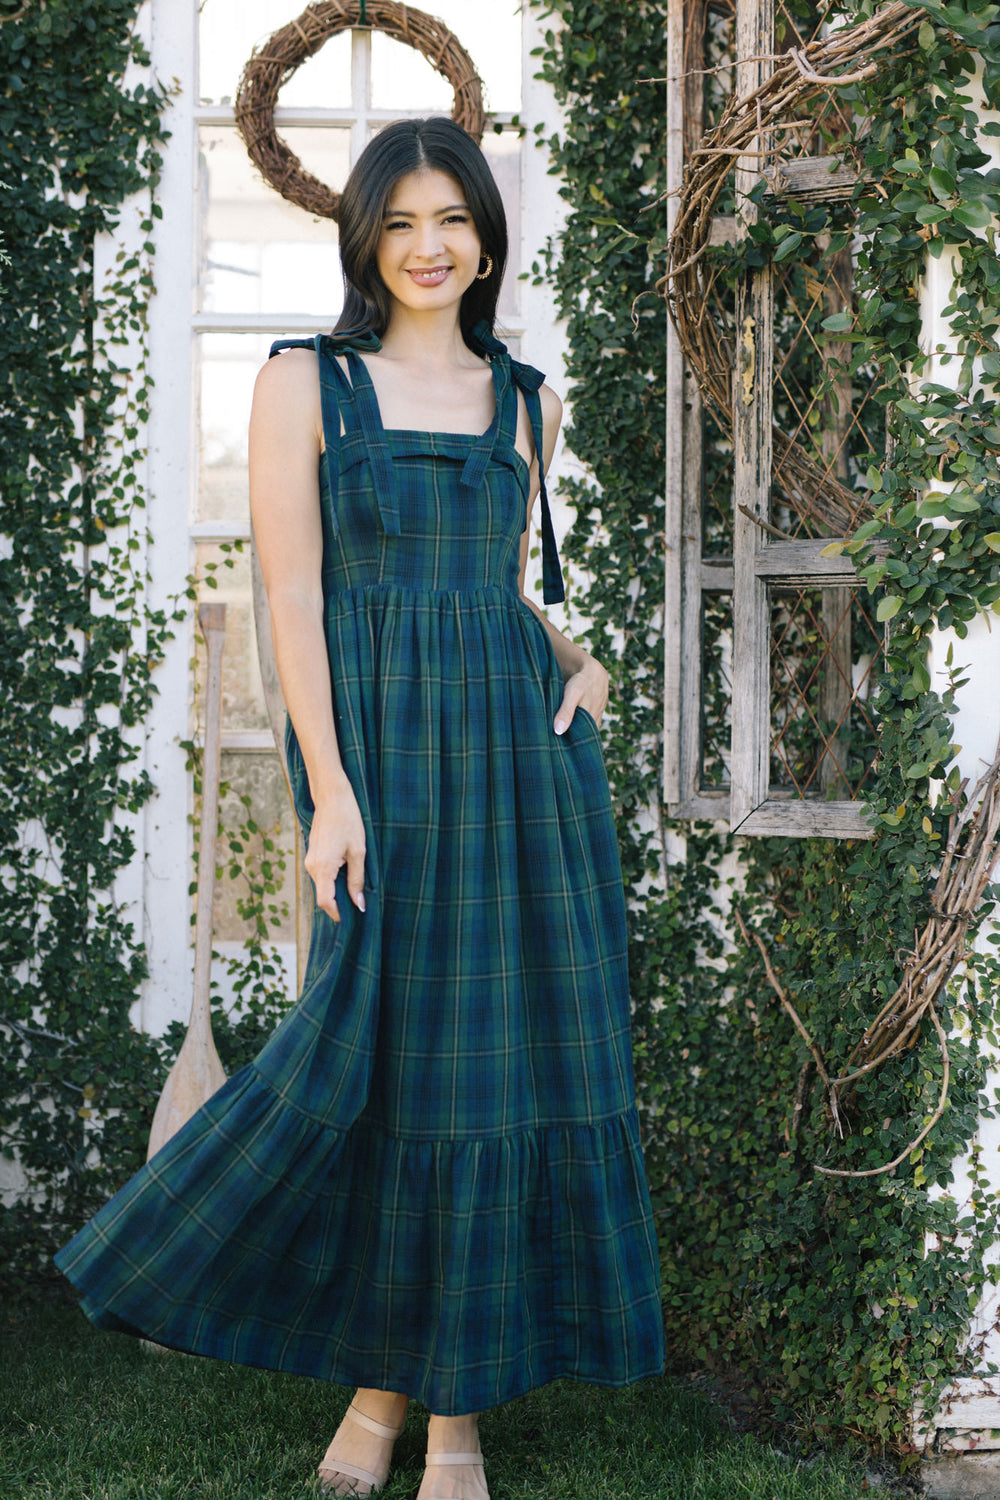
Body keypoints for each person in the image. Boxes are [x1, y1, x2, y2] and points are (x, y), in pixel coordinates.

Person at [54, 117, 665, 1500]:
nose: (431, 245)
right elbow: (291, 599)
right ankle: (380, 1393)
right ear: (365, 239)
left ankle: (442, 1417)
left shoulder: (527, 402)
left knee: (493, 1075)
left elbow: (501, 589)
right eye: (401, 221)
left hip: (520, 769)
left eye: (454, 218)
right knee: (378, 1066)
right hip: (380, 770)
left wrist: (577, 653)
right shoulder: (303, 384)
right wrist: (331, 794)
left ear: (488, 239)